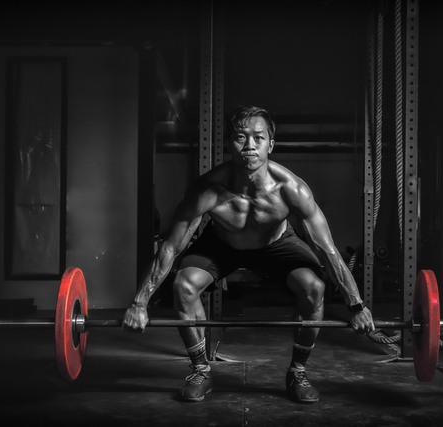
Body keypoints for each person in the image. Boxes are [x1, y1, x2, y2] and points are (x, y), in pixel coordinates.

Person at [124, 105, 375, 403]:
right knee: (183, 285)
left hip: (277, 244)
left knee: (314, 288)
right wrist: (140, 303)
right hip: (222, 244)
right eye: (241, 137)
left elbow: (327, 250)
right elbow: (170, 247)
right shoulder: (208, 189)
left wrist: (357, 306)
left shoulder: (292, 189)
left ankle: (297, 371)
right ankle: (201, 370)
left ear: (271, 143)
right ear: (230, 142)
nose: (249, 146)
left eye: (258, 138)